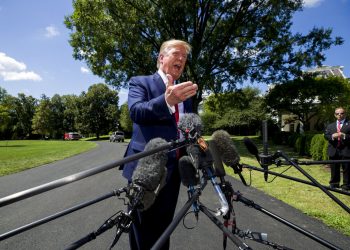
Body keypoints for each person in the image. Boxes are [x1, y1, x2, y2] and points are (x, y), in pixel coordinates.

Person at [120, 39, 198, 250]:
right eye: (176, 54)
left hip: (173, 173)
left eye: (185, 57)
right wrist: (166, 101)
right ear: (161, 58)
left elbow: (187, 126)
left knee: (164, 229)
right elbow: (136, 111)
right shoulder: (140, 82)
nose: (181, 59)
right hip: (145, 170)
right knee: (143, 230)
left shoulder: (185, 92)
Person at [324, 107, 350, 191]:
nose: (339, 115)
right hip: (334, 150)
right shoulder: (330, 125)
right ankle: (334, 184)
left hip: (346, 149)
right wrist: (332, 136)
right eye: (337, 113)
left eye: (341, 113)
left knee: (347, 168)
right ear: (335, 115)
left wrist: (345, 136)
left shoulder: (349, 124)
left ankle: (346, 185)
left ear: (345, 114)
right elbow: (326, 135)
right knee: (334, 168)